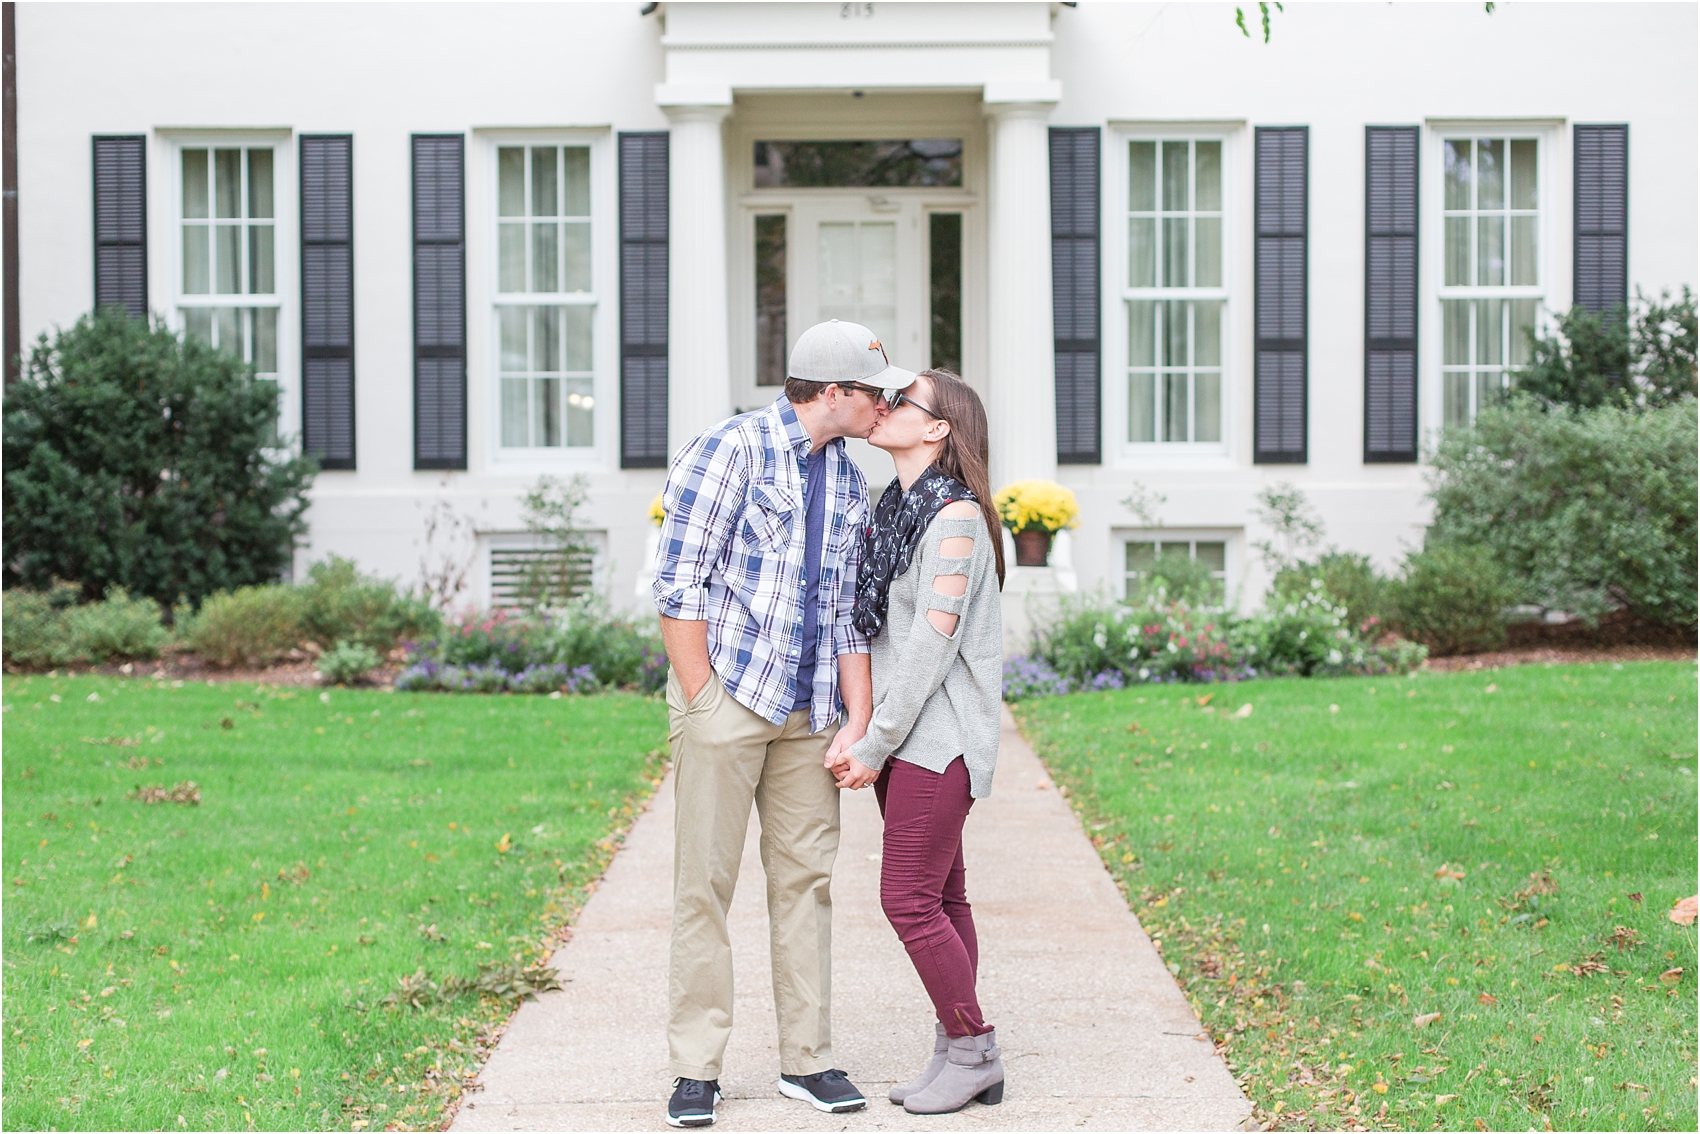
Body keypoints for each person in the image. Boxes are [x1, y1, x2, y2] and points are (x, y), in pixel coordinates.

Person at [651, 319, 916, 1128]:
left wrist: (855, 719)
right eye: (876, 392)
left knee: (805, 884)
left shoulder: (845, 478)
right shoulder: (727, 450)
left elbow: (842, 612)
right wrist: (701, 699)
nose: (888, 404)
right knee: (707, 885)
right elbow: (677, 581)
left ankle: (809, 1061)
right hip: (728, 699)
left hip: (810, 715)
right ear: (833, 394)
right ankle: (697, 1068)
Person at [825, 368, 1008, 1115]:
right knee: (943, 896)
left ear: (938, 428)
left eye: (903, 400)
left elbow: (930, 654)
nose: (885, 406)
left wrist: (871, 742)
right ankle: (957, 1054)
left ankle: (973, 1047)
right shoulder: (897, 507)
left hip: (939, 743)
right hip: (910, 740)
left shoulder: (955, 519)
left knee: (906, 899)